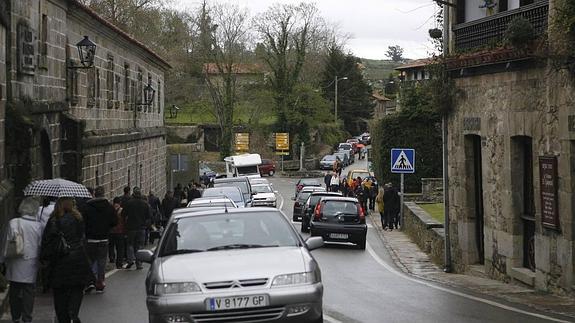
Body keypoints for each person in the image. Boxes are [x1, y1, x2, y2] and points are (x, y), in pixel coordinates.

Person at [41, 197, 93, 323]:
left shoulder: (54, 220)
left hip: (60, 261)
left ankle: (64, 318)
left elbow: (47, 243)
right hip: (78, 260)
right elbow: (81, 237)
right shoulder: (78, 218)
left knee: (60, 294)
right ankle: (73, 314)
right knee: (76, 290)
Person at [0, 197, 44, 323]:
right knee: (29, 291)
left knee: (14, 289)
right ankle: (27, 317)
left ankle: (15, 316)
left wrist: (2, 260)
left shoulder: (13, 223)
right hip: (31, 261)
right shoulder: (38, 226)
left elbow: (5, 243)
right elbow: (41, 245)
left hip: (15, 260)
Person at [80, 186, 117, 293]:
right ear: (104, 194)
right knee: (101, 261)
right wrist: (106, 227)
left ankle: (90, 281)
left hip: (91, 238)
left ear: (95, 194)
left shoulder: (87, 207)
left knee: (90, 261)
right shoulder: (109, 207)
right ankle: (100, 282)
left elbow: (83, 221)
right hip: (104, 238)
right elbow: (114, 221)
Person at [123, 187, 151, 270]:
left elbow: (123, 214)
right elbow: (148, 216)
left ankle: (130, 259)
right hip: (141, 227)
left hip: (131, 227)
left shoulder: (129, 203)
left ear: (133, 194)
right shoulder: (145, 204)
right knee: (139, 246)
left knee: (130, 244)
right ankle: (139, 263)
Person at [108, 197, 126, 269]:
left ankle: (111, 257)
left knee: (111, 245)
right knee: (120, 248)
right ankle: (119, 263)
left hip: (111, 231)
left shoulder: (110, 210)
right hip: (120, 231)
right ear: (120, 202)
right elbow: (124, 221)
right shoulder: (122, 210)